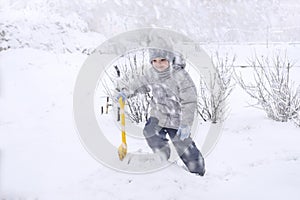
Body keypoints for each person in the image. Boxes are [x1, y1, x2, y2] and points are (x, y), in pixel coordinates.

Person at [117, 48, 205, 176]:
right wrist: (126, 92)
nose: (159, 64)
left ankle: (198, 170)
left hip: (177, 119)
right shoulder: (150, 74)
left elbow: (190, 101)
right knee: (150, 132)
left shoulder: (180, 76)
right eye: (155, 61)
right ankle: (162, 158)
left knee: (184, 147)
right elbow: (139, 85)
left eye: (163, 60)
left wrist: (185, 123)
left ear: (170, 59)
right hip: (158, 115)